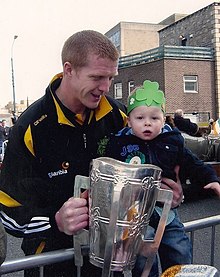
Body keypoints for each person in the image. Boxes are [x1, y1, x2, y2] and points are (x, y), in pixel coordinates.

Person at [0, 31, 183, 277]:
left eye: (110, 77)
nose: (105, 88)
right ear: (69, 70)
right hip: (52, 266)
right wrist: (56, 221)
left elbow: (157, 158)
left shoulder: (119, 116)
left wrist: (168, 189)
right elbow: (9, 213)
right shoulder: (31, 127)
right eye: (97, 77)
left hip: (108, 265)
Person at [100, 80, 220, 274]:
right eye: (140, 118)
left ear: (163, 120)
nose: (147, 123)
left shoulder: (172, 140)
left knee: (179, 246)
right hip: (135, 214)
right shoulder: (119, 144)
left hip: (166, 212)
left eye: (154, 118)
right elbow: (109, 171)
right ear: (129, 121)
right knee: (142, 253)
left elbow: (193, 163)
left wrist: (212, 180)